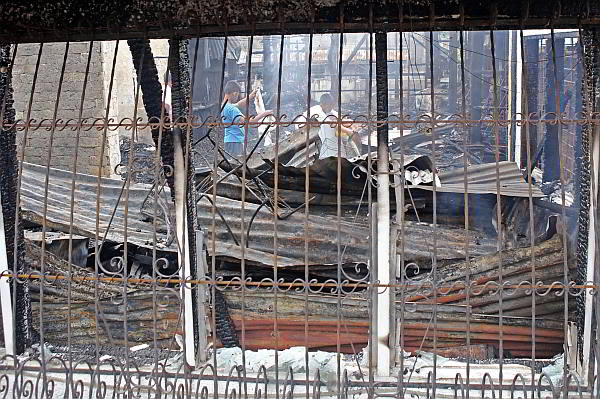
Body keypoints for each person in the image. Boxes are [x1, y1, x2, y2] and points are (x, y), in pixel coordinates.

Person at [221, 80, 273, 156]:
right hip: (235, 143)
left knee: (235, 163)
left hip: (230, 141)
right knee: (237, 165)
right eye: (238, 95)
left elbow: (238, 104)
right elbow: (251, 122)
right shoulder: (232, 109)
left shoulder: (224, 106)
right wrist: (265, 113)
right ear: (235, 93)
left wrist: (251, 96)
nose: (238, 97)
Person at [305, 93, 361, 159]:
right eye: (329, 105)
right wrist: (348, 131)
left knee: (341, 158)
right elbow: (331, 123)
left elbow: (338, 118)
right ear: (322, 104)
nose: (331, 107)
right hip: (322, 142)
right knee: (330, 160)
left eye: (332, 105)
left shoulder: (329, 110)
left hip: (334, 141)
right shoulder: (317, 112)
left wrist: (352, 123)